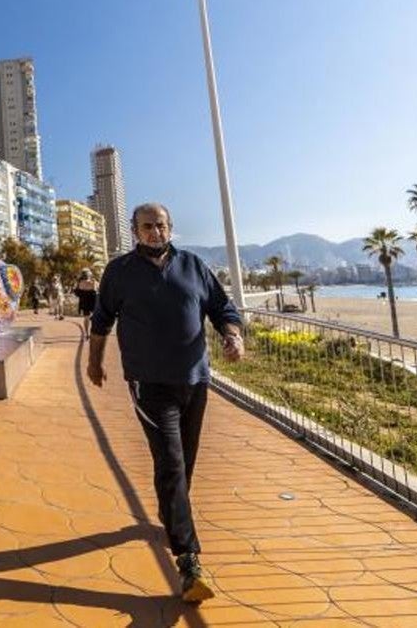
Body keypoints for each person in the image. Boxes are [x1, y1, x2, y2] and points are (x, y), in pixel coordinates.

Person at [87, 202, 243, 603]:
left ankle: (171, 516)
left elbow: (221, 308)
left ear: (171, 227)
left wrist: (232, 334)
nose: (154, 231)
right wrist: (94, 361)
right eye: (146, 226)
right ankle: (189, 561)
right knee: (170, 461)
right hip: (149, 384)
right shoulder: (119, 272)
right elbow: (102, 319)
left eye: (160, 225)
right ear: (134, 231)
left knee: (184, 462)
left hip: (195, 381)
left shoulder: (194, 266)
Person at [73, 269, 98, 340]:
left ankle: (87, 333)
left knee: (86, 318)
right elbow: (97, 290)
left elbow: (76, 293)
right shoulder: (93, 282)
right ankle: (91, 333)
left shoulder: (79, 283)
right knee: (94, 318)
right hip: (93, 302)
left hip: (84, 303)